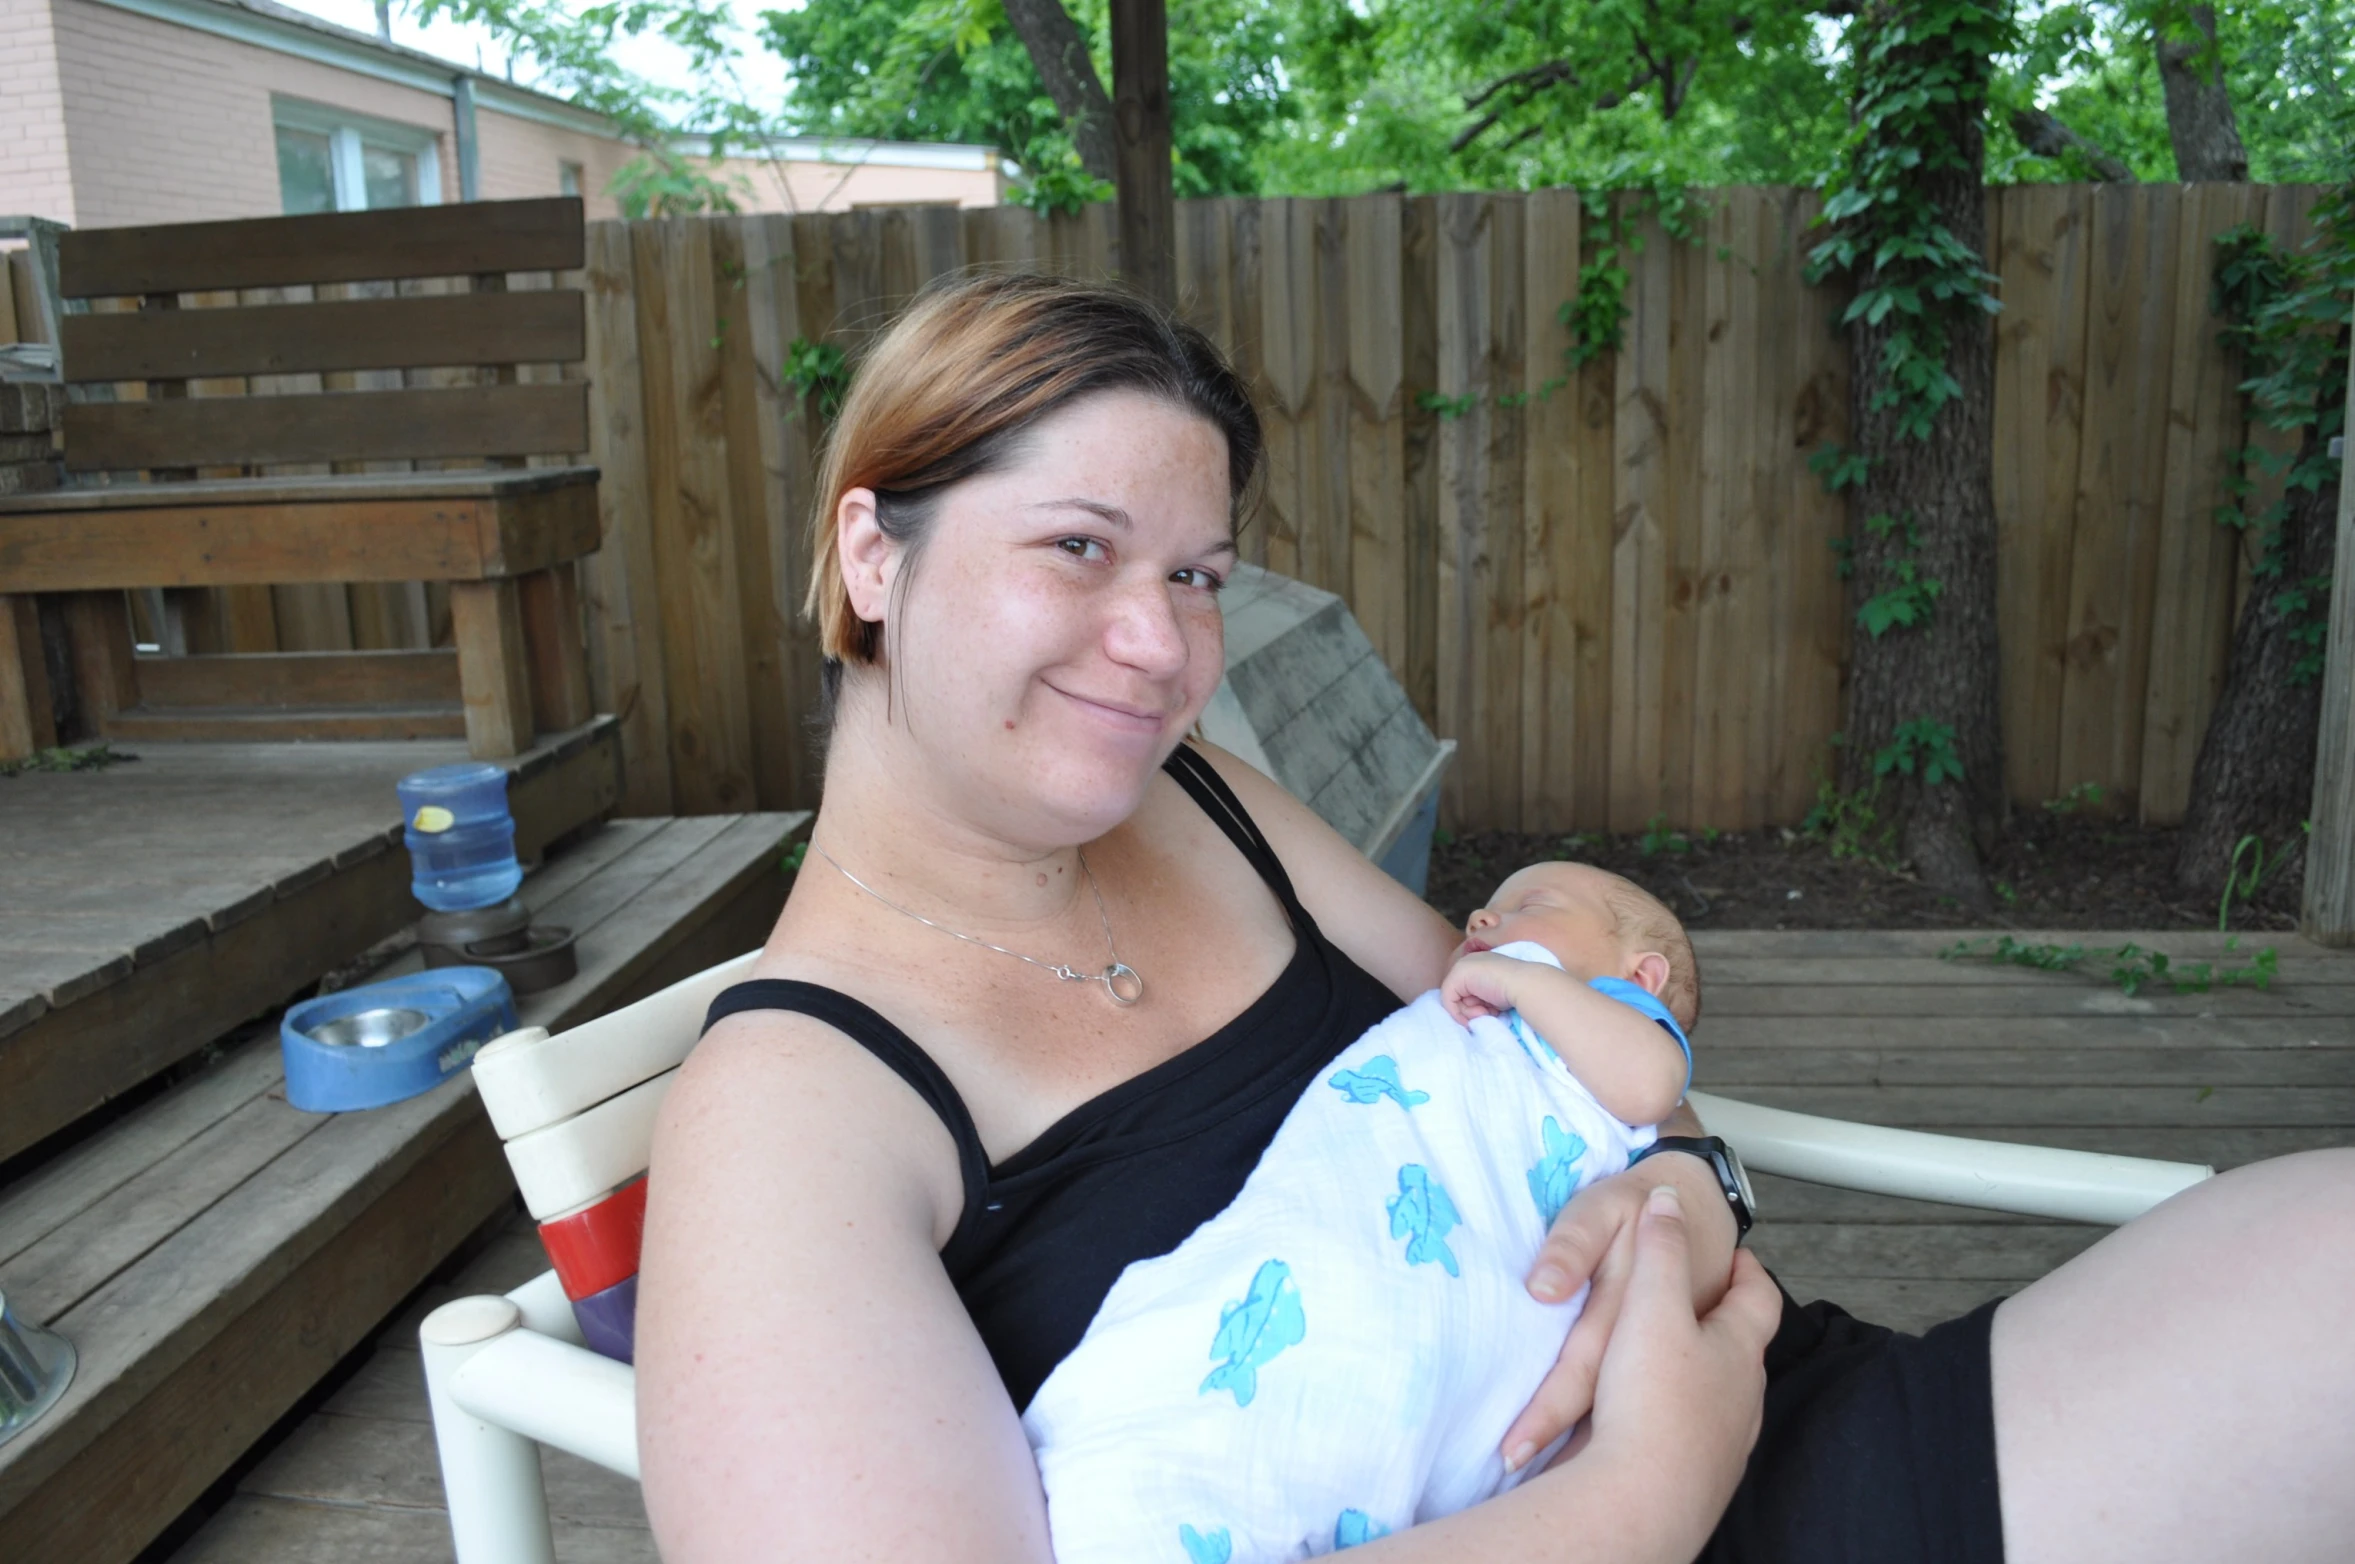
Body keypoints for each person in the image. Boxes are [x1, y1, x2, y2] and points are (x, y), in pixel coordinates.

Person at [636, 271, 2355, 1564]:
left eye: (1196, 572)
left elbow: (1549, 1035)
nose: (1163, 645)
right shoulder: (787, 1115)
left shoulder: (1211, 802)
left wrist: (1693, 1184)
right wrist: (1637, 1494)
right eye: (1080, 545)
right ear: (875, 552)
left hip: (1780, 1406)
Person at [1025, 862, 1705, 1562]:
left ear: (1639, 977)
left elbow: (1652, 1085)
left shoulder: (1611, 1025)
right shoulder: (1475, 1021)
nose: (1480, 919)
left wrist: (1524, 979)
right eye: (1484, 906)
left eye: (1529, 905)